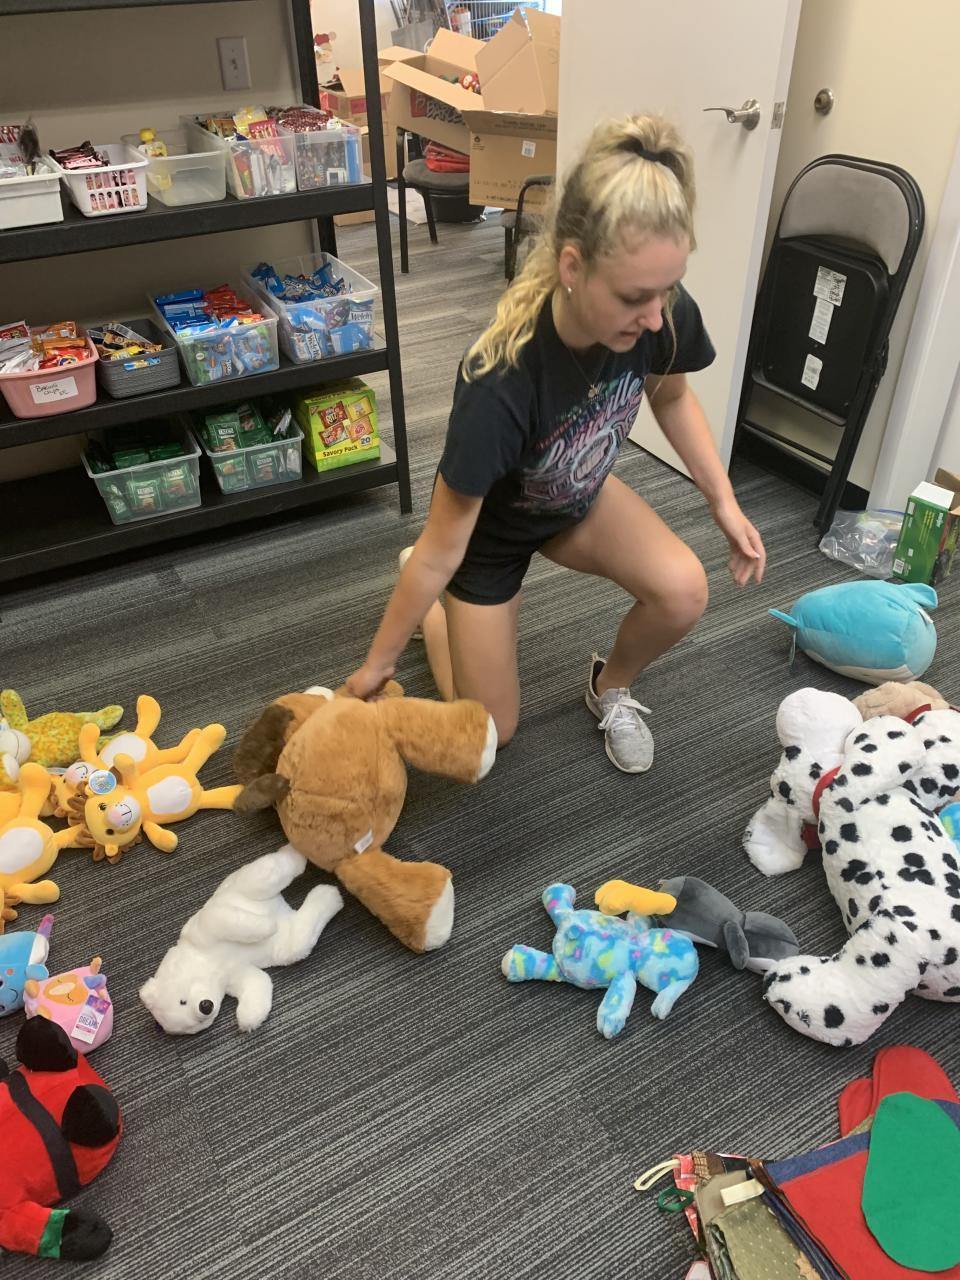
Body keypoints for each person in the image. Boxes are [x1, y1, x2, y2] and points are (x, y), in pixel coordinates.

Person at [346, 114, 766, 773]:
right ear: (573, 266)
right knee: (490, 734)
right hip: (487, 538)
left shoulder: (658, 312)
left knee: (684, 590)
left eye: (665, 291)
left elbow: (671, 397)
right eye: (635, 297)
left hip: (576, 498)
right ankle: (441, 617)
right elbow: (442, 546)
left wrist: (724, 503)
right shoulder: (499, 380)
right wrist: (377, 664)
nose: (656, 316)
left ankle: (609, 687)